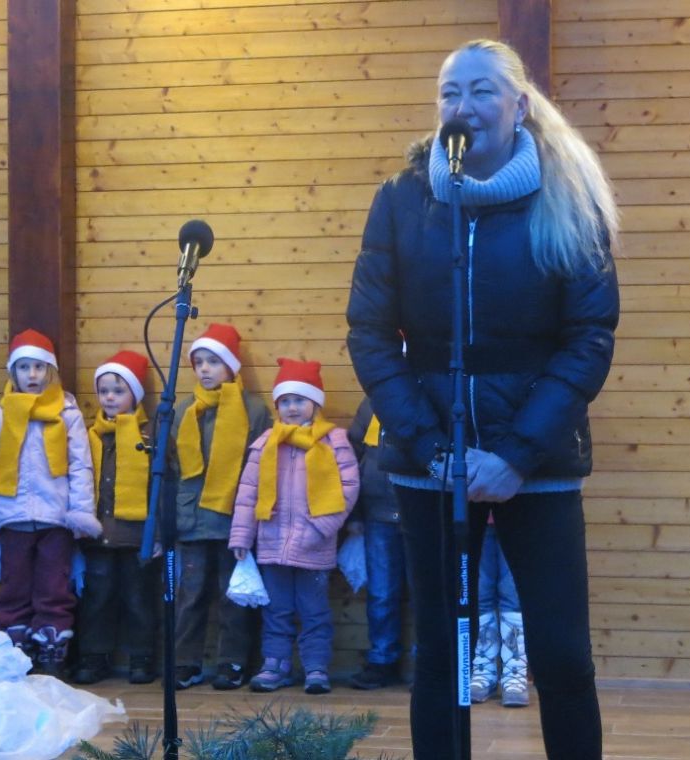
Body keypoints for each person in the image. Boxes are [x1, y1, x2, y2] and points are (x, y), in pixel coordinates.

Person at [345, 39, 620, 760]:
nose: (462, 106)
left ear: (520, 105)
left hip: (538, 461)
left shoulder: (569, 195)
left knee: (562, 655)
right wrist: (434, 449)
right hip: (429, 460)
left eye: (481, 90)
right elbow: (369, 334)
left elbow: (588, 339)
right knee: (441, 653)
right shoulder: (403, 199)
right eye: (450, 92)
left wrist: (517, 455)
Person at [228, 359, 359, 695]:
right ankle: (276, 664)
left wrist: (319, 529)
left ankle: (316, 667)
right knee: (276, 611)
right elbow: (248, 493)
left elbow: (348, 489)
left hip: (315, 545)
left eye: (299, 400)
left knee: (315, 611)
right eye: (285, 401)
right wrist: (242, 536)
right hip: (272, 545)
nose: (292, 407)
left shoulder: (334, 441)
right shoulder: (266, 443)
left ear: (315, 403)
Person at [0, 329, 100, 677]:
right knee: (14, 587)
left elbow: (80, 467)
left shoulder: (68, 415)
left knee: (53, 589)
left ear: (50, 371)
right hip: (11, 517)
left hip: (54, 518)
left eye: (39, 367)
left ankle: (52, 651)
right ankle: (16, 651)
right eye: (24, 367)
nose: (31, 374)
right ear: (12, 373)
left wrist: (80, 512)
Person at [171, 323, 273, 690]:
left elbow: (261, 466)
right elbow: (171, 466)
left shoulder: (254, 409)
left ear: (231, 365)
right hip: (191, 518)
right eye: (199, 362)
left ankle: (233, 661)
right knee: (190, 595)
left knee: (235, 596)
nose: (204, 369)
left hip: (235, 519)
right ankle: (186, 662)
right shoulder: (183, 410)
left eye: (213, 361)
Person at [73, 350, 159, 685]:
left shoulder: (150, 435)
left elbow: (161, 486)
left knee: (139, 600)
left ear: (134, 394)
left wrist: (159, 533)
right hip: (98, 537)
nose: (110, 397)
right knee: (97, 600)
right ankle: (94, 657)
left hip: (137, 537)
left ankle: (142, 657)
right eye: (104, 390)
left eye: (118, 390)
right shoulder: (90, 435)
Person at [346, 396, 409, 690]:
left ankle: (430, 662)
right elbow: (352, 456)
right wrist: (355, 514)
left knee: (427, 594)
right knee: (381, 593)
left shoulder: (431, 393)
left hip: (422, 513)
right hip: (377, 513)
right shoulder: (372, 402)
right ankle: (382, 660)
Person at [472, 519, 529, 707]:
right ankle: (483, 670)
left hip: (517, 517)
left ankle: (515, 672)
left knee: (513, 597)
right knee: (480, 595)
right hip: (475, 516)